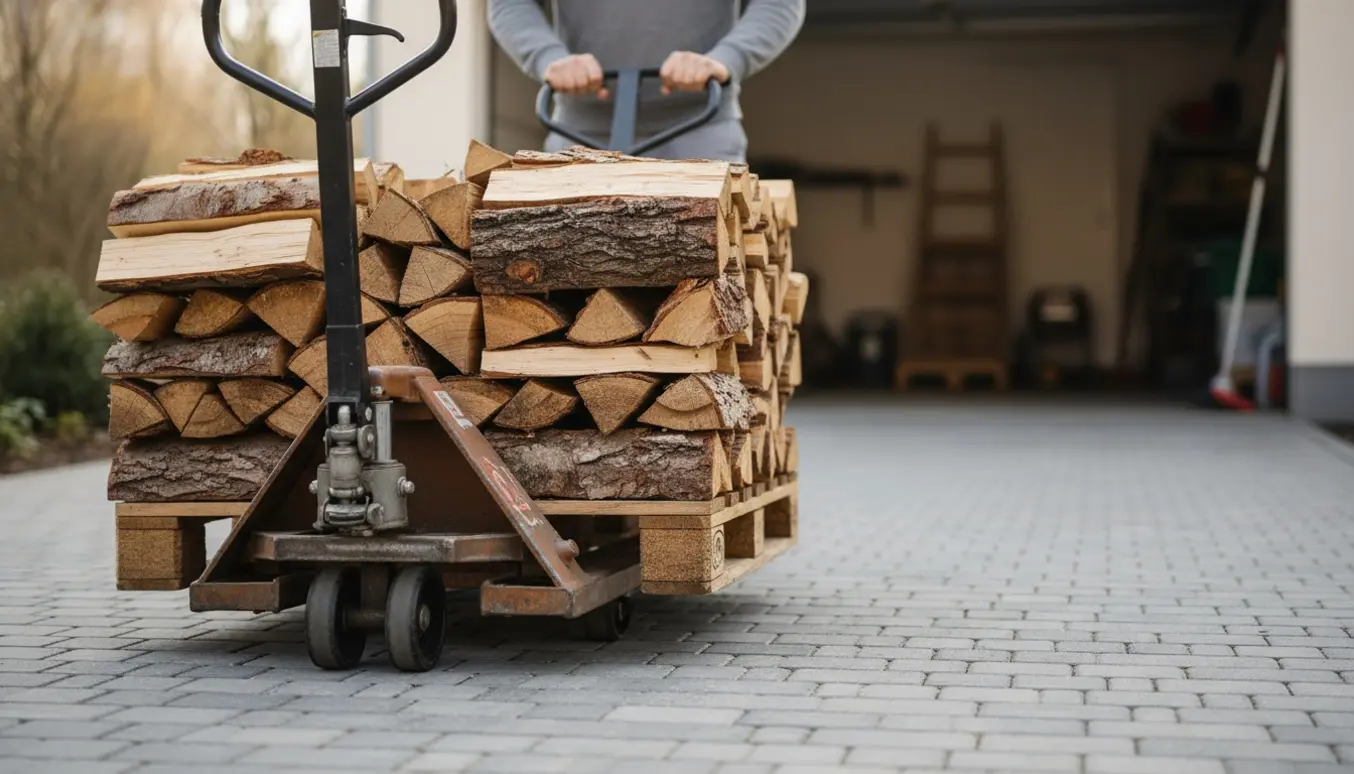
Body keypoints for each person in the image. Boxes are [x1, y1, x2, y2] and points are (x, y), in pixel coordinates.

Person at [488, 0, 806, 163]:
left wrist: (725, 58)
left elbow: (779, 4)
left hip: (700, 131)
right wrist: (548, 57)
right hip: (579, 135)